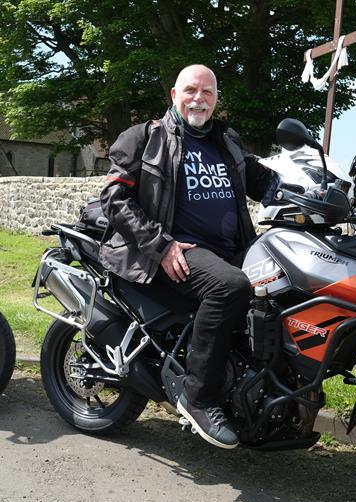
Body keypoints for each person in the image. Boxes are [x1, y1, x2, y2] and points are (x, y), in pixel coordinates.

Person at [99, 65, 276, 449]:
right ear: (174, 95)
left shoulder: (226, 140)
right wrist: (161, 246)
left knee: (283, 281)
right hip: (173, 249)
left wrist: (318, 190)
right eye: (191, 90)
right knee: (230, 287)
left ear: (216, 99)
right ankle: (198, 397)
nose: (199, 98)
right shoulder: (145, 138)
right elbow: (114, 199)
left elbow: (266, 181)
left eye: (208, 92)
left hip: (229, 247)